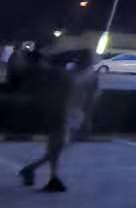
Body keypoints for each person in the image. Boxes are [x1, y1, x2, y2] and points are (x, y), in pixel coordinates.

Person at [18, 50, 97, 193]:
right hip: (62, 113)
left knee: (58, 147)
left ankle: (35, 170)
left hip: (72, 114)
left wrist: (87, 118)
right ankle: (50, 177)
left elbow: (90, 98)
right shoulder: (72, 72)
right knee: (57, 146)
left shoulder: (85, 74)